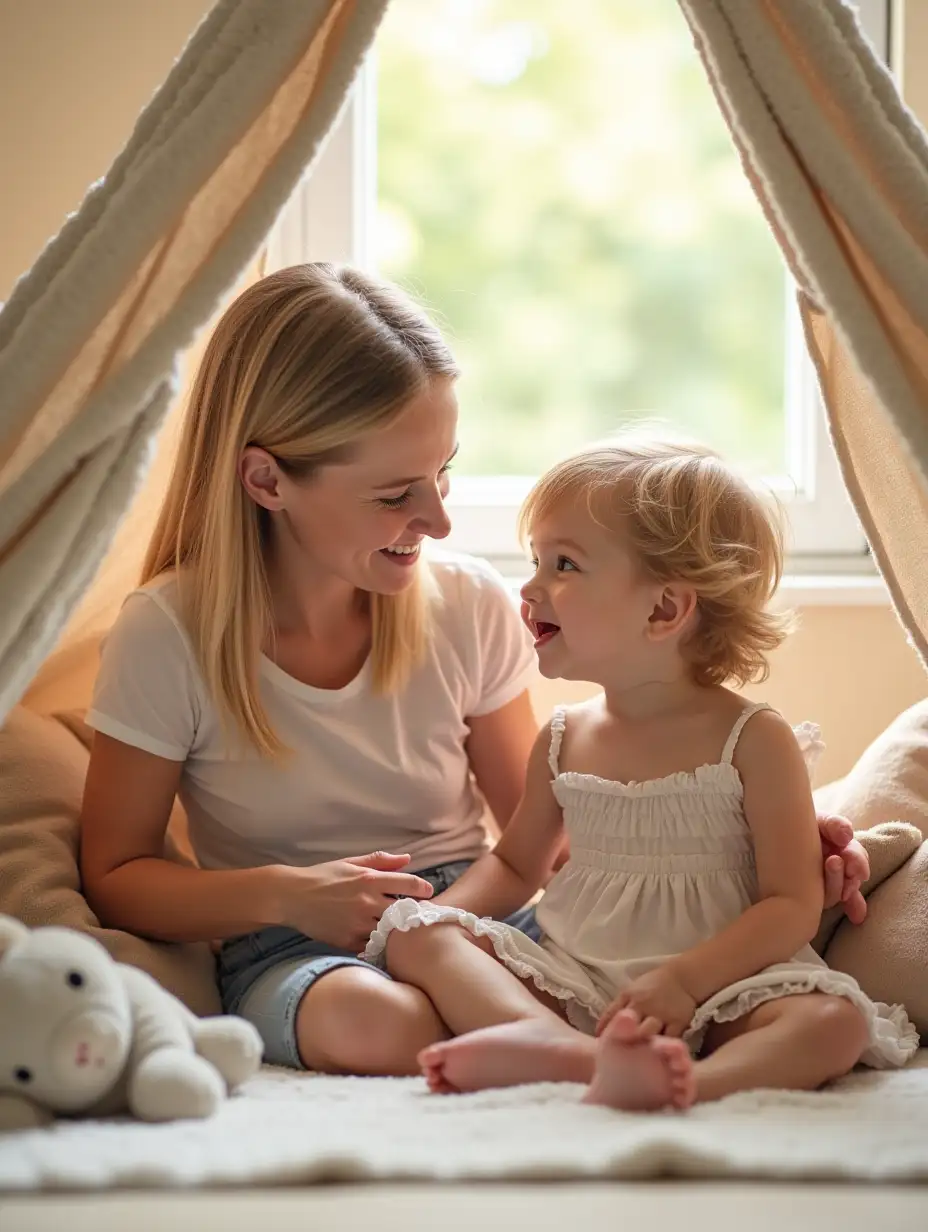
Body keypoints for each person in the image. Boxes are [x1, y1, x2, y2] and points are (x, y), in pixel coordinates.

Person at [79, 263, 868, 1077]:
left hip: (467, 922)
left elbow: (545, 838)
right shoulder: (167, 634)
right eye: (395, 494)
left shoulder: (464, 604)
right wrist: (287, 893)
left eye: (444, 473)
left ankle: (571, 1055)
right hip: (293, 940)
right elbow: (115, 873)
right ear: (267, 479)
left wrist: (736, 843)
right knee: (376, 1023)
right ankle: (582, 1061)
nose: (438, 517)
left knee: (483, 983)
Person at [362, 432, 919, 1109]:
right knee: (424, 941)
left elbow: (792, 903)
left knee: (833, 1022)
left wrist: (685, 982)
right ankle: (566, 1050)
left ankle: (689, 1080)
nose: (530, 586)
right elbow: (515, 868)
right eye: (536, 559)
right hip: (578, 974)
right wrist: (430, 920)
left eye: (563, 564)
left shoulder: (752, 739)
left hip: (721, 984)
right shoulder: (564, 737)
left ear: (663, 609)